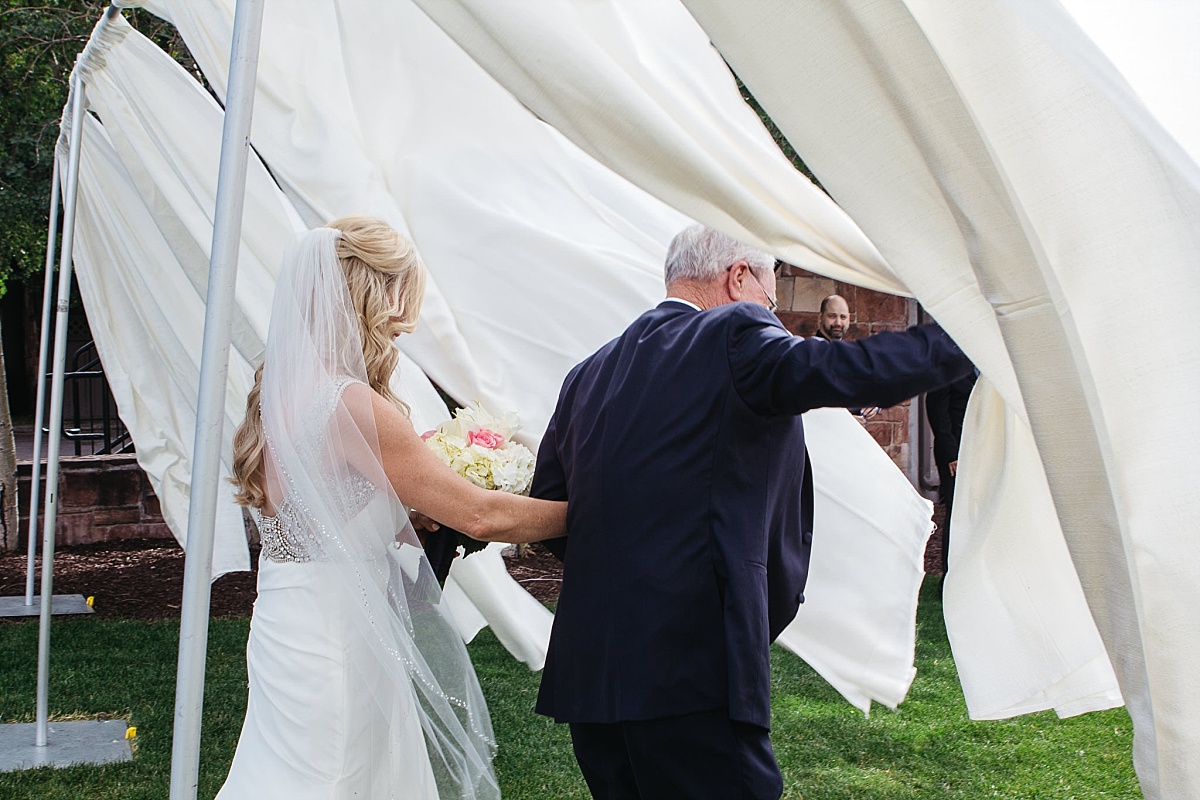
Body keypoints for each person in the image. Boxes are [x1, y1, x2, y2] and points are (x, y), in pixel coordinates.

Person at [531, 224, 973, 799]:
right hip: (695, 662)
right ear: (738, 277)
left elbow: (551, 507)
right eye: (771, 294)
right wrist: (980, 335)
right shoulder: (735, 332)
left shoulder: (588, 373)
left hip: (591, 671)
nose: (773, 312)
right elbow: (851, 372)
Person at [220, 217, 565, 800]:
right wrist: (582, 511)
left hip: (285, 621)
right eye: (401, 301)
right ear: (372, 297)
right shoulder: (352, 404)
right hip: (340, 634)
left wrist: (413, 518)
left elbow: (326, 519)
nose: (404, 325)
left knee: (288, 771)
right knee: (336, 778)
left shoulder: (277, 388)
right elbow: (481, 515)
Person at [925, 366, 979, 577]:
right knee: (957, 510)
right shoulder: (950, 362)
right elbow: (936, 408)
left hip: (981, 448)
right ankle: (950, 578)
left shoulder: (987, 366)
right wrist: (951, 454)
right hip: (955, 452)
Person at [813, 293, 879, 421]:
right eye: (832, 316)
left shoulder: (850, 352)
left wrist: (874, 404)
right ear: (820, 317)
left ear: (849, 319)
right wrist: (847, 422)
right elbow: (814, 405)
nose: (838, 322)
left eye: (843, 317)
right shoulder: (811, 352)